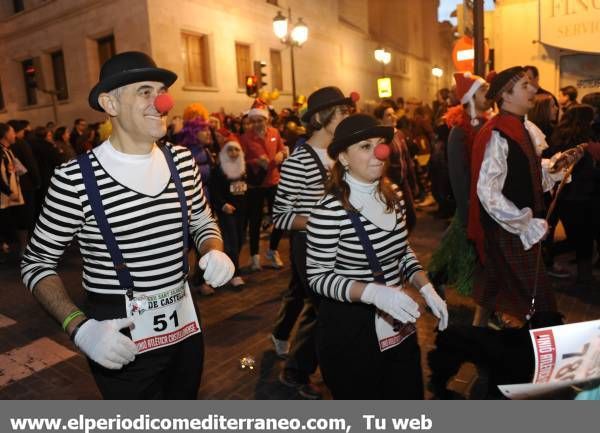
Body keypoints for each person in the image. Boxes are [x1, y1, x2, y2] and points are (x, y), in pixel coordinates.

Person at [21, 51, 234, 399]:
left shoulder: (181, 161)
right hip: (116, 328)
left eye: (161, 90)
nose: (162, 101)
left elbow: (202, 221)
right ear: (111, 103)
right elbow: (35, 263)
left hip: (185, 321)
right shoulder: (74, 179)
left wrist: (214, 250)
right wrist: (79, 327)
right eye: (145, 91)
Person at [306, 113, 448, 399]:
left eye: (381, 144)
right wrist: (373, 293)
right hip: (350, 330)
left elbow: (401, 251)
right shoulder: (328, 209)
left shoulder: (392, 194)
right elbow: (318, 277)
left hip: (397, 322)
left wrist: (426, 287)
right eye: (365, 146)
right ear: (343, 157)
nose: (379, 153)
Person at [468, 66, 570, 324]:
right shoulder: (499, 133)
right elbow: (488, 192)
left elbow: (527, 173)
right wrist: (523, 224)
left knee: (492, 289)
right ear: (506, 95)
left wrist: (554, 169)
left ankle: (475, 343)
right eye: (525, 86)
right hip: (509, 232)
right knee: (543, 305)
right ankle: (546, 356)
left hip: (510, 231)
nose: (533, 89)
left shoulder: (519, 127)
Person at [272, 86, 353, 399]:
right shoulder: (298, 161)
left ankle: (298, 368)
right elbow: (280, 216)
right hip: (309, 246)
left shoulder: (340, 154)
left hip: (337, 243)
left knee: (321, 308)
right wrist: (320, 221)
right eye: (342, 112)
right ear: (322, 117)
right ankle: (298, 371)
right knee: (326, 310)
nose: (347, 116)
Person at [428, 72, 494, 325]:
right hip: (470, 205)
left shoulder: (487, 123)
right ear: (471, 96)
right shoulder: (458, 132)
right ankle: (433, 281)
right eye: (484, 90)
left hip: (483, 203)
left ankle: (435, 279)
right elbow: (458, 178)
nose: (489, 95)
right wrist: (468, 214)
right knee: (456, 249)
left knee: (455, 249)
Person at [549, 104, 599, 289]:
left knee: (576, 238)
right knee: (583, 240)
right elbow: (587, 174)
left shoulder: (559, 137)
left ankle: (548, 255)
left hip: (565, 197)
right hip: (583, 197)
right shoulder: (583, 143)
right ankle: (585, 278)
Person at [240, 99, 287, 271]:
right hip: (256, 185)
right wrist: (255, 162)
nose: (258, 123)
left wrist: (281, 155)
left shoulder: (275, 132)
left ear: (267, 120)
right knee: (255, 221)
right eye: (255, 120)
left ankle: (272, 250)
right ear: (251, 121)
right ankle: (254, 256)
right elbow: (240, 161)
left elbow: (282, 149)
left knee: (280, 217)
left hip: (274, 181)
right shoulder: (245, 138)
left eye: (261, 120)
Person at [373, 103, 418, 232]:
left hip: (403, 182)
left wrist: (413, 181)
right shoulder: (380, 140)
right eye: (388, 115)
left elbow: (407, 159)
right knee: (397, 219)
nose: (393, 117)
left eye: (393, 113)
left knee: (411, 217)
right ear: (380, 120)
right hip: (390, 185)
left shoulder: (399, 134)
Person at [209, 140, 248, 289]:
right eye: (230, 150)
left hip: (242, 211)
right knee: (231, 242)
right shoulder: (218, 170)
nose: (234, 153)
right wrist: (222, 205)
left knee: (239, 241)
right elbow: (214, 190)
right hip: (227, 211)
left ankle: (229, 266)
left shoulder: (244, 168)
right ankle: (235, 274)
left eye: (237, 150)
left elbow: (250, 186)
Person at [0, 123, 26, 258]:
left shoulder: (8, 150)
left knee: (19, 221)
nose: (14, 135)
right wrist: (10, 192)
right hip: (5, 198)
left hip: (12, 196)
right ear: (5, 135)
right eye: (12, 132)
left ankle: (18, 247)